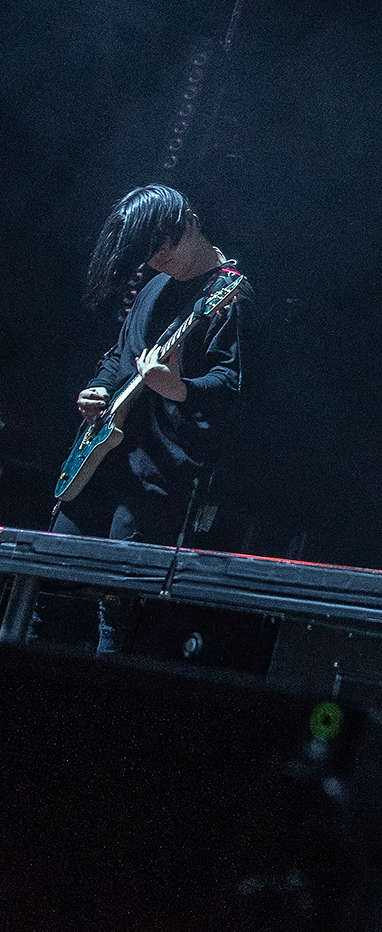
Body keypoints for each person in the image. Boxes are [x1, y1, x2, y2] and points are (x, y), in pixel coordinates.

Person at [52, 185, 249, 653]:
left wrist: (180, 389)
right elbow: (118, 355)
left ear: (190, 219)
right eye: (149, 254)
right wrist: (99, 389)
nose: (158, 259)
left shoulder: (229, 293)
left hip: (159, 479)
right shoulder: (152, 289)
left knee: (117, 615)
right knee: (50, 582)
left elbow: (230, 386)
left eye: (164, 246)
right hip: (100, 465)